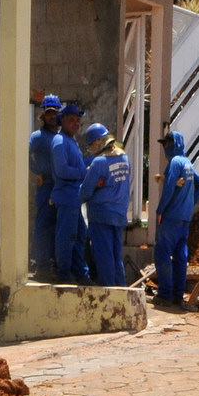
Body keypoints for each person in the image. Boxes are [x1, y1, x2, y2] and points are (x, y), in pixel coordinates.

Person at [153, 130, 199, 310]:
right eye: (164, 144)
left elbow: (168, 188)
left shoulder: (175, 162)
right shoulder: (188, 163)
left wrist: (160, 210)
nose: (165, 147)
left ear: (176, 143)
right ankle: (177, 295)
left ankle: (165, 295)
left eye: (167, 143)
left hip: (171, 217)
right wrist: (189, 203)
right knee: (180, 257)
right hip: (184, 218)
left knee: (162, 254)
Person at [81, 123, 132, 288]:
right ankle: (121, 292)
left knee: (104, 257)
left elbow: (85, 192)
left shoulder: (99, 162)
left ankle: (109, 294)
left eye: (91, 145)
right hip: (118, 215)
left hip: (100, 216)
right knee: (116, 257)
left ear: (97, 141)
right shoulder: (124, 158)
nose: (91, 149)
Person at [49, 103, 91, 284]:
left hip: (75, 198)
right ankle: (64, 274)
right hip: (66, 198)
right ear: (62, 121)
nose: (76, 124)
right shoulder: (59, 141)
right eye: (72, 120)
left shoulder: (71, 141)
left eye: (78, 121)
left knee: (80, 236)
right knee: (67, 237)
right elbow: (61, 170)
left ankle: (80, 274)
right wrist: (84, 172)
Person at [28, 95, 61, 279]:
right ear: (43, 115)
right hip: (46, 186)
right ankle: (41, 265)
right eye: (48, 113)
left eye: (54, 113)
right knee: (43, 226)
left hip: (60, 187)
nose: (51, 116)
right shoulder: (38, 137)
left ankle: (53, 263)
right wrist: (36, 172)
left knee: (58, 226)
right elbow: (25, 154)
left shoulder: (60, 137)